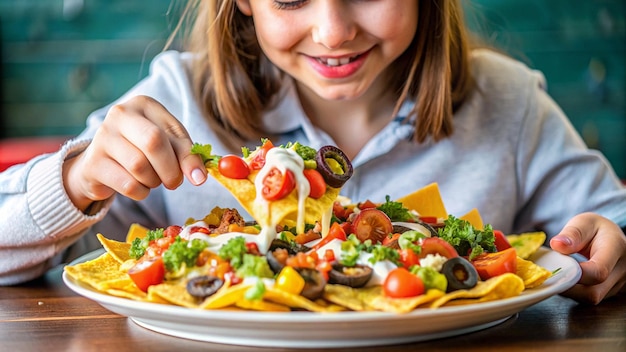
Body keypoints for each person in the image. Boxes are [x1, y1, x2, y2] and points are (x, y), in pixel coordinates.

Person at [0, 0, 624, 304]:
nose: (333, 31)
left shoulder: (508, 102)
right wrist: (78, 181)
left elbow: (611, 222)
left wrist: (613, 243)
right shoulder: (178, 102)